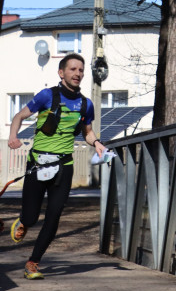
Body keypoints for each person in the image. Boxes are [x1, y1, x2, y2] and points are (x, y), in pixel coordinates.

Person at [8, 53, 107, 279]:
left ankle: (33, 263)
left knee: (54, 216)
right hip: (38, 163)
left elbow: (88, 133)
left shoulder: (85, 104)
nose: (78, 74)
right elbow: (18, 116)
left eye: (81, 70)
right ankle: (23, 221)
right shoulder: (46, 96)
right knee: (32, 217)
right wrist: (13, 137)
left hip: (64, 165)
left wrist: (98, 144)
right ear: (61, 73)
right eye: (73, 69)